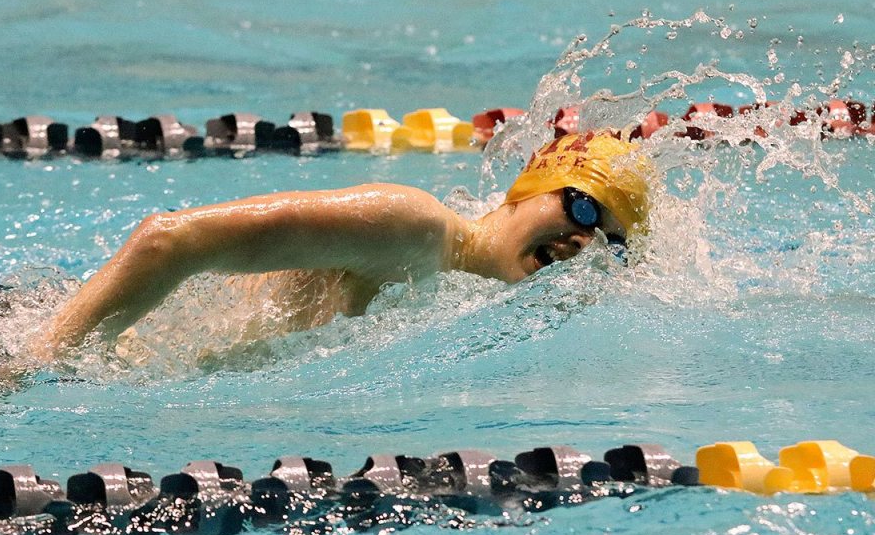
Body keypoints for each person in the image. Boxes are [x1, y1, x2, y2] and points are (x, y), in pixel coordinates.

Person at [33, 132, 651, 359]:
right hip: (28, 347)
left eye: (610, 242)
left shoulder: (464, 296)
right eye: (582, 206)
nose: (583, 241)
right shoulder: (412, 228)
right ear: (528, 188)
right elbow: (169, 240)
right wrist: (42, 366)